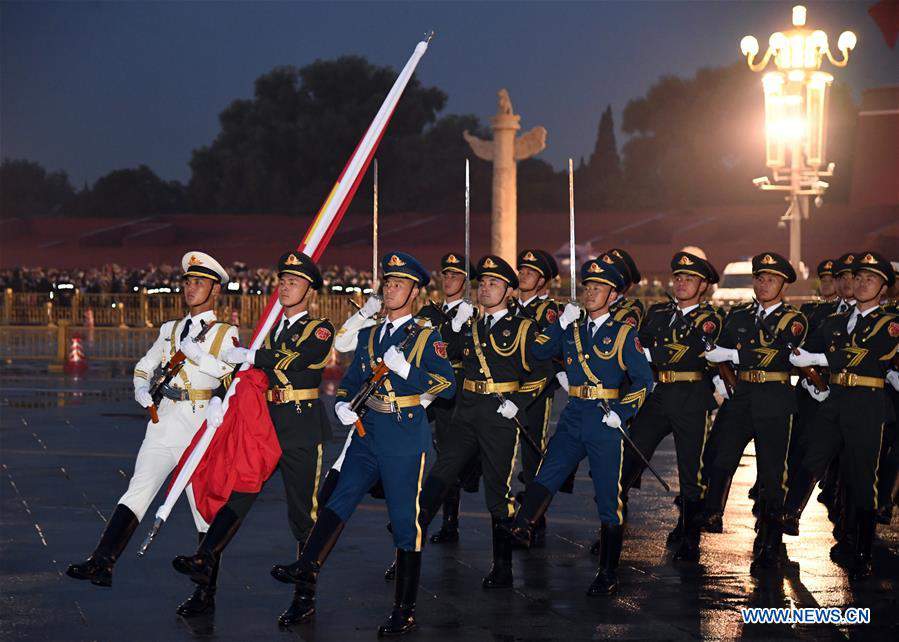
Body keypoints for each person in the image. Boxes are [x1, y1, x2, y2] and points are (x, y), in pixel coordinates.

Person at [269, 251, 456, 637]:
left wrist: (407, 370)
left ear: (415, 292)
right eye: (388, 283)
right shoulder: (371, 335)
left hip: (404, 434)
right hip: (368, 432)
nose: (390, 289)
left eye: (399, 284)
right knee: (337, 500)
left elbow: (446, 386)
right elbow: (353, 380)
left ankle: (404, 610)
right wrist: (340, 403)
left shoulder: (426, 337)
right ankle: (307, 567)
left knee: (406, 522)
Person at [67, 252, 237, 614]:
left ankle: (205, 594)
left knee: (202, 511)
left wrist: (205, 368)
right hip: (165, 420)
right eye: (188, 281)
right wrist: (141, 390)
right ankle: (103, 561)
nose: (191, 288)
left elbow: (232, 372)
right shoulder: (170, 330)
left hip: (199, 422)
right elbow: (144, 366)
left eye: (200, 283)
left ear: (215, 290)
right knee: (138, 490)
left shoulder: (225, 332)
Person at [170, 251, 334, 624]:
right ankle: (205, 563)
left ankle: (304, 595)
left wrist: (254, 354)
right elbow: (243, 371)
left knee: (302, 514)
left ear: (310, 289)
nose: (285, 286)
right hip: (264, 425)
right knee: (238, 494)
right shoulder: (269, 328)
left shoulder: (318, 327)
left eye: (293, 281)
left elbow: (300, 359)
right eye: (282, 280)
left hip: (300, 427)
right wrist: (218, 395)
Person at [506, 257, 653, 595]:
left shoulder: (623, 334)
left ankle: (608, 571)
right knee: (547, 471)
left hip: (605, 419)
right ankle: (523, 525)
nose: (590, 293)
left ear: (613, 296)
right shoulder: (572, 328)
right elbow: (538, 352)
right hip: (574, 414)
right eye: (588, 287)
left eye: (598, 288)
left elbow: (645, 380)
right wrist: (560, 324)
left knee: (607, 496)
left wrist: (623, 411)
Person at [412, 254, 552, 590]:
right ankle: (414, 524)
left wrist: (517, 403)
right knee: (443, 469)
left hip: (498, 415)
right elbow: (443, 354)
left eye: (494, 283)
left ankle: (502, 567)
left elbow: (543, 371)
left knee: (496, 490)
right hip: (467, 409)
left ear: (508, 291)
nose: (485, 288)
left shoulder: (522, 328)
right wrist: (452, 327)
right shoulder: (471, 325)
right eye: (483, 283)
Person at [784, 251, 898, 579]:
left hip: (867, 401)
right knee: (812, 454)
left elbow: (862, 355)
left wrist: (819, 358)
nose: (862, 284)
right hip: (835, 398)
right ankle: (791, 513)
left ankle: (862, 545)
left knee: (861, 476)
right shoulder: (833, 322)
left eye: (871, 279)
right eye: (858, 277)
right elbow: (804, 350)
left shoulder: (889, 324)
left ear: (884, 288)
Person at [701, 252, 808, 574]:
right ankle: (712, 512)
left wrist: (735, 353)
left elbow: (777, 353)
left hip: (775, 397)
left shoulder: (794, 319)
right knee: (721, 455)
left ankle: (769, 543)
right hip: (743, 394)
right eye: (759, 278)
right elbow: (715, 349)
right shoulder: (739, 315)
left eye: (771, 280)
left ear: (784, 285)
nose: (763, 284)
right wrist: (725, 375)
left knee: (773, 475)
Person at [619, 251, 722, 562]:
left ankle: (690, 535)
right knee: (631, 455)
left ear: (703, 286)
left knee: (691, 468)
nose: (681, 283)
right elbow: (639, 344)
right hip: (659, 394)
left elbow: (685, 352)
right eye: (678, 277)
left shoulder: (710, 319)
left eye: (689, 279)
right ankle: (613, 526)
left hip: (691, 395)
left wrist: (653, 353)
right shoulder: (659, 312)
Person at [416, 252, 477, 545]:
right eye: (446, 274)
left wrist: (463, 325)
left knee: (459, 456)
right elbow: (427, 346)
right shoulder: (430, 314)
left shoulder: (475, 315)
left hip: (465, 391)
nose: (449, 280)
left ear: (466, 281)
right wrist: (452, 328)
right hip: (438, 391)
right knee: (445, 456)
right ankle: (449, 522)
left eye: (456, 275)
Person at [512, 248, 561, 545]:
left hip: (534, 388)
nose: (523, 275)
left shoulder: (547, 312)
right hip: (504, 387)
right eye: (522, 270)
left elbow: (544, 351)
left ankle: (533, 515)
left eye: (530, 272)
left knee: (531, 450)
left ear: (543, 280)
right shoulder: (509, 306)